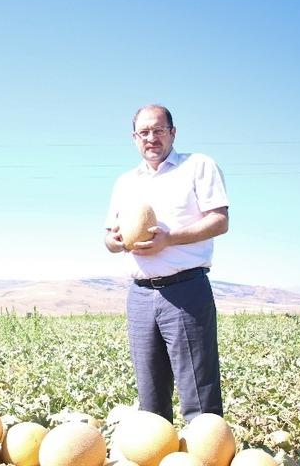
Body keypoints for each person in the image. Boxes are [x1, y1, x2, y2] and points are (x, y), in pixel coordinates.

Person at [104, 104, 230, 423]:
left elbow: (219, 221)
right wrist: (117, 242)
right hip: (140, 295)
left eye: (159, 130)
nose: (151, 138)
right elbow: (108, 238)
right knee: (150, 400)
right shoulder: (125, 182)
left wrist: (169, 239)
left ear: (173, 132)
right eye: (144, 132)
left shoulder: (198, 166)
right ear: (134, 138)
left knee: (199, 397)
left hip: (186, 290)